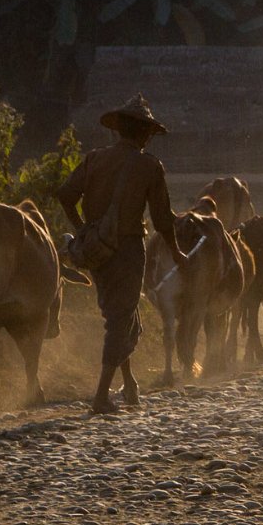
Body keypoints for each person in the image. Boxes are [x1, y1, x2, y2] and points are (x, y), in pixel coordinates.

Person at [57, 95, 189, 415]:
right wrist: (176, 252)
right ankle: (101, 396)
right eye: (148, 134)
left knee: (120, 314)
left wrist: (84, 229)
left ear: (119, 129)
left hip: (96, 250)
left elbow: (65, 195)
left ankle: (128, 383)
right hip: (128, 250)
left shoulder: (94, 159)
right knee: (121, 318)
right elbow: (162, 219)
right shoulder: (149, 166)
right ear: (143, 133)